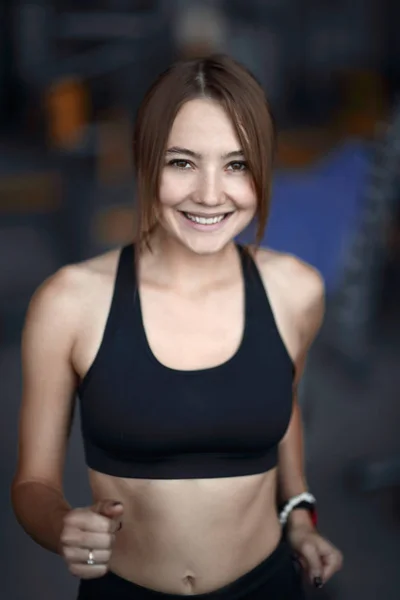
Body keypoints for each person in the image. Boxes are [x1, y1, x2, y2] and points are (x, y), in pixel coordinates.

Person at [11, 54, 343, 599]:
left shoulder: (296, 292)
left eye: (237, 164)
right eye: (182, 162)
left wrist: (300, 522)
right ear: (144, 161)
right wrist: (60, 526)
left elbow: (281, 418)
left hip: (268, 587)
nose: (210, 194)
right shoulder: (68, 303)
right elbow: (33, 483)